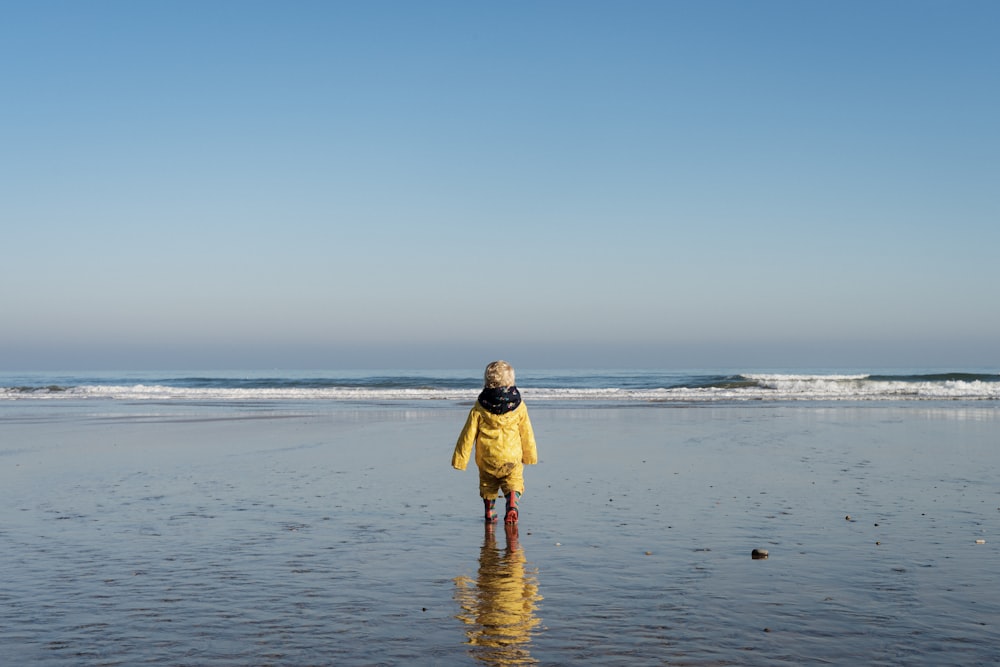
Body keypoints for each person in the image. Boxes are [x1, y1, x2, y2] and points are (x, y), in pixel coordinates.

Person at [452, 361, 538, 524]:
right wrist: (530, 456)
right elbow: (527, 433)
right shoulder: (519, 407)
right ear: (511, 381)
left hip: (487, 457)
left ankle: (490, 511)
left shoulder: (480, 406)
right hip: (511, 457)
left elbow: (467, 435)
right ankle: (512, 503)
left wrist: (460, 460)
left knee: (487, 483)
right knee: (514, 480)